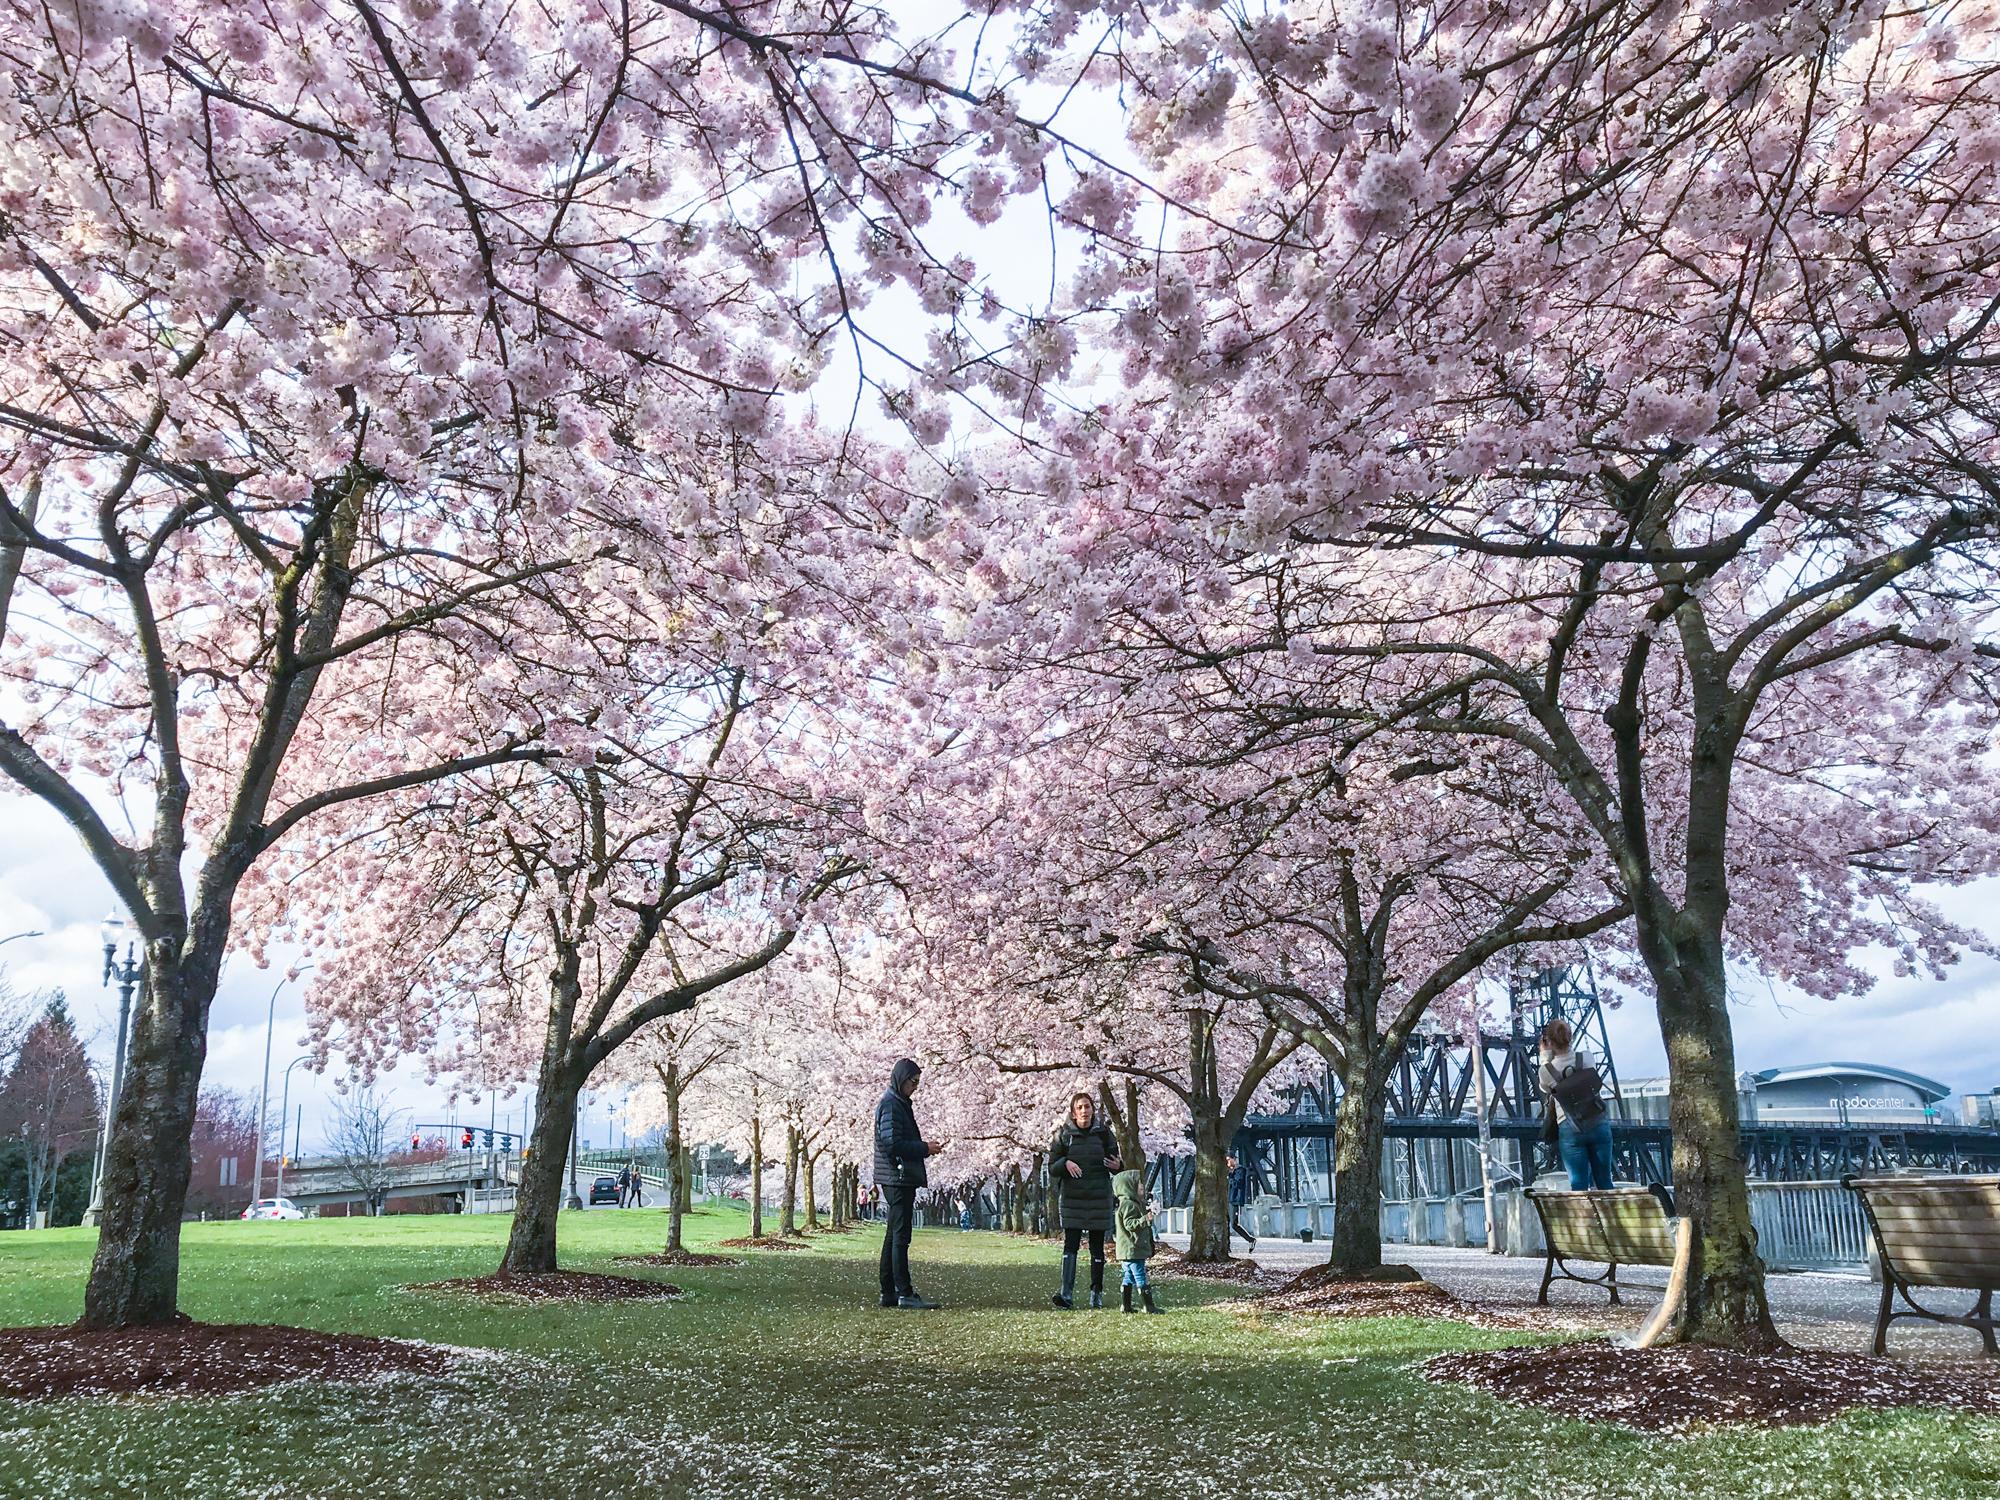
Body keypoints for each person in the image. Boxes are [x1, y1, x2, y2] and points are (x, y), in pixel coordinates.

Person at [874, 1057, 945, 1309]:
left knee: (893, 1235)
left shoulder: (898, 1103)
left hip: (897, 1177)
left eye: (918, 1082)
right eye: (913, 1082)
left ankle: (889, 1292)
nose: (915, 1086)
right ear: (901, 1079)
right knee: (900, 1236)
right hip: (898, 1177)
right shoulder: (892, 1105)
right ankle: (904, 1292)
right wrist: (924, 1148)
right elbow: (892, 1144)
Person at [1048, 1092, 1121, 1309]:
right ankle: (1066, 1293)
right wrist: (1065, 1163)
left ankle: (1095, 1294)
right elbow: (1052, 1166)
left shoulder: (1104, 1134)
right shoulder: (1063, 1135)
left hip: (1099, 1197)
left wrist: (1118, 1166)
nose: (1084, 1111)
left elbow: (1117, 1163)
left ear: (1092, 1110)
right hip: (1073, 1199)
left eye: (1087, 1107)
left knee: (1097, 1249)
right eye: (1079, 1107)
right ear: (1073, 1112)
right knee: (1070, 1246)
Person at [1539, 1017, 1614, 1190]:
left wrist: (1545, 1055)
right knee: (1605, 1181)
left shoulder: (1546, 1071)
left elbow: (1545, 1089)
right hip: (1598, 1122)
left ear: (1548, 1041)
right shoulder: (1586, 1058)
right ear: (1570, 1037)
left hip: (1570, 1127)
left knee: (1578, 1184)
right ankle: (1610, 1216)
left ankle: (1583, 1217)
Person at [1112, 1167, 1164, 1314]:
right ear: (1130, 1187)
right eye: (1139, 1184)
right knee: (1140, 1275)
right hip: (1133, 1248)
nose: (1142, 1186)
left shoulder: (1127, 1204)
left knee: (1128, 1276)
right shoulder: (1129, 1205)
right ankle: (1148, 1306)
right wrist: (1145, 1219)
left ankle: (1126, 1306)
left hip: (1127, 1250)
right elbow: (1130, 1225)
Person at [1226, 1153, 1257, 1253]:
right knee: (1224, 1223)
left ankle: (1250, 1239)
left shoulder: (1240, 1170)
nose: (1227, 1162)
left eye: (1229, 1159)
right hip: (1226, 1199)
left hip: (1234, 1200)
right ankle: (1226, 1246)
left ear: (1234, 1159)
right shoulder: (1230, 1171)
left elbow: (1237, 1183)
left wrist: (1230, 1175)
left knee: (1234, 1224)